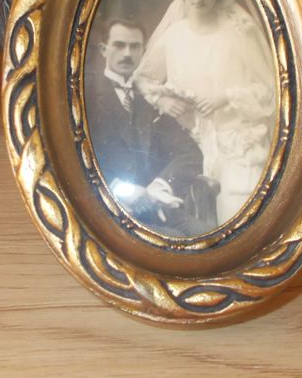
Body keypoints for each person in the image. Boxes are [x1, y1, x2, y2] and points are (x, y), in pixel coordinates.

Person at [134, 0, 276, 225]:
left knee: (237, 212)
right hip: (188, 144)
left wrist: (226, 97)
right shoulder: (174, 35)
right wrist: (163, 101)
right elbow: (143, 79)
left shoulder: (237, 34)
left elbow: (268, 89)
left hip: (235, 142)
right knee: (191, 218)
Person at [85, 18, 217, 236]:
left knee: (208, 236)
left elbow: (190, 152)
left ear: (143, 52)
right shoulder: (85, 95)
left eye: (134, 47)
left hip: (155, 207)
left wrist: (160, 186)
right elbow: (73, 157)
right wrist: (127, 192)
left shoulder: (147, 101)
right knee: (178, 243)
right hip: (106, 210)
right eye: (119, 45)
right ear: (103, 49)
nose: (127, 53)